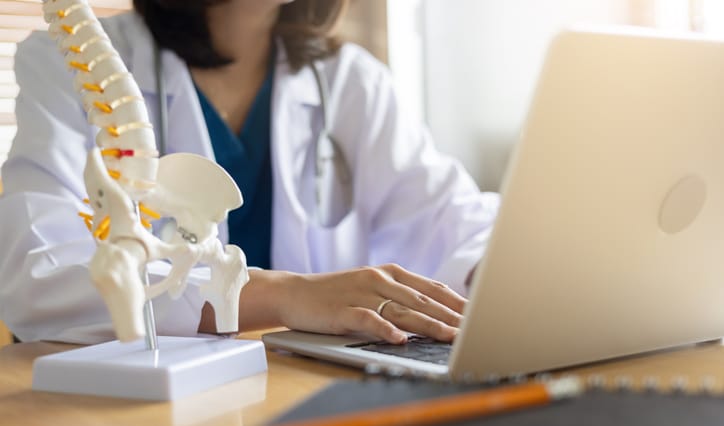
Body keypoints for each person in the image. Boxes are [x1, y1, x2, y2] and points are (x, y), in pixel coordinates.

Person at [0, 0, 499, 345]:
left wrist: (503, 272)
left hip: (305, 397)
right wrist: (282, 296)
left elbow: (452, 220)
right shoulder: (76, 66)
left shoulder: (350, 82)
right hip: (145, 418)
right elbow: (38, 274)